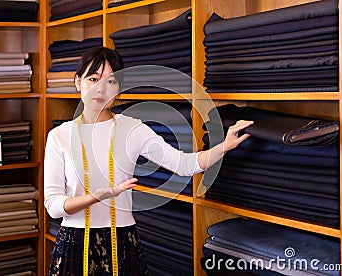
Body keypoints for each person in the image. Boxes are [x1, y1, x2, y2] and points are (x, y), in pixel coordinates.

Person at [44, 46, 253, 275]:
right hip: (75, 245)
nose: (101, 88)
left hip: (122, 242)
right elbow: (53, 206)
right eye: (93, 78)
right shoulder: (59, 136)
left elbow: (184, 165)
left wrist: (225, 146)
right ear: (77, 82)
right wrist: (96, 196)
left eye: (111, 81)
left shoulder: (132, 128)